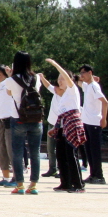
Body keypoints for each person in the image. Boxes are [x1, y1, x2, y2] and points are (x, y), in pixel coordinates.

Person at [40, 59, 86, 193]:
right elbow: (61, 115)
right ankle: (65, 183)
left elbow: (67, 78)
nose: (60, 81)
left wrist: (55, 65)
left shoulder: (73, 90)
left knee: (71, 155)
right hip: (62, 126)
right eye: (59, 79)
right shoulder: (63, 95)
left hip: (72, 125)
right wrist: (55, 128)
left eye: (62, 79)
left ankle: (78, 184)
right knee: (61, 155)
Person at [4, 51, 43, 195]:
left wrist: (10, 76)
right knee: (35, 152)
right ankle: (33, 185)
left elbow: (9, 93)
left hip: (18, 118)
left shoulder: (11, 80)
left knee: (17, 153)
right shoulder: (36, 78)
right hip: (36, 118)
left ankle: (20, 184)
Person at [78, 65, 108, 184]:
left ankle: (99, 176)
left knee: (95, 151)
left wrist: (104, 118)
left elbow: (105, 102)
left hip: (95, 122)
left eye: (83, 73)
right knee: (89, 150)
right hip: (87, 122)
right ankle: (93, 174)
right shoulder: (87, 86)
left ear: (90, 72)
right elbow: (75, 80)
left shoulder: (94, 86)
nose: (81, 75)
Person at [0, 64, 15, 186]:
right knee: (2, 149)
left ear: (0, 75)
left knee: (11, 149)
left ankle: (16, 177)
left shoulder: (8, 83)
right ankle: (5, 177)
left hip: (9, 119)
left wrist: (11, 75)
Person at [41, 77, 60, 178]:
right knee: (50, 149)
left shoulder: (67, 96)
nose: (54, 89)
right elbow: (48, 85)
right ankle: (52, 169)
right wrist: (42, 77)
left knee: (61, 149)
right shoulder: (56, 92)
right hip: (51, 124)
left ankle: (62, 169)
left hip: (60, 125)